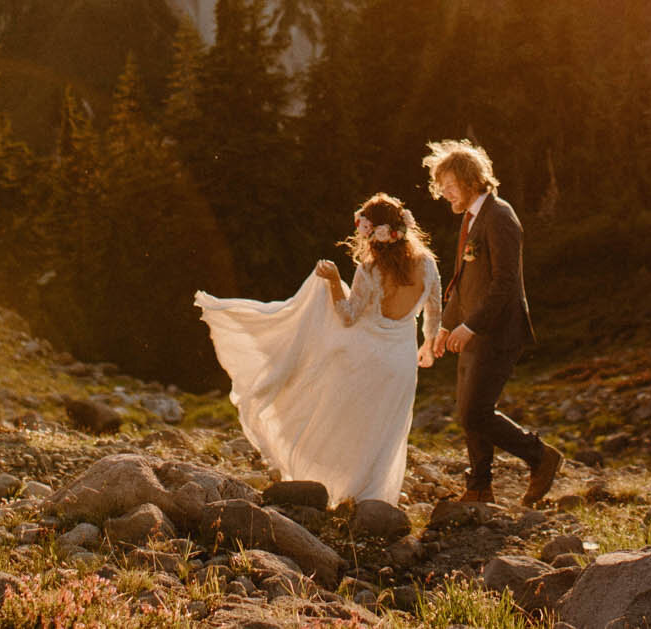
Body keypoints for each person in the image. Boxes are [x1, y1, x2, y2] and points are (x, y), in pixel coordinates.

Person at [193, 194, 440, 505]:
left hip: (365, 357)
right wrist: (428, 346)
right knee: (387, 430)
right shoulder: (427, 264)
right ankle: (374, 498)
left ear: (373, 233)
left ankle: (344, 488)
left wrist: (335, 281)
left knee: (350, 422)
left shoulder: (370, 269)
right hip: (401, 361)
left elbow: (348, 317)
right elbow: (434, 311)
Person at [426, 137, 562, 506]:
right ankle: (479, 487)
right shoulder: (471, 220)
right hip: (470, 331)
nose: (445, 195)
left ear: (471, 180)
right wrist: (444, 327)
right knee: (470, 411)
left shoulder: (500, 216)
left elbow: (506, 283)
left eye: (450, 187)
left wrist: (471, 327)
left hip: (498, 330)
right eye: (442, 188)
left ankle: (540, 456)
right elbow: (461, 278)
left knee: (475, 411)